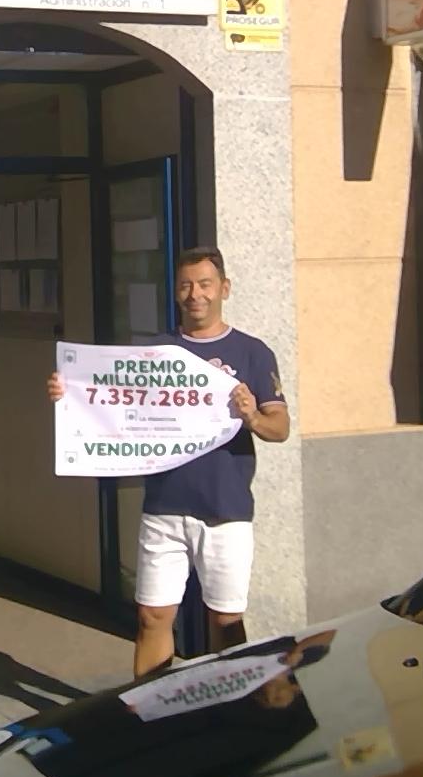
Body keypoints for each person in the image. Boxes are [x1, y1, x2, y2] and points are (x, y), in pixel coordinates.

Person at [47, 246, 290, 677]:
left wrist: (252, 416)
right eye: (185, 285)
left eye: (205, 284)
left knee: (226, 621)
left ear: (224, 289)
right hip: (163, 507)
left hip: (226, 509)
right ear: (176, 292)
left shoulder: (253, 352)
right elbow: (114, 405)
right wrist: (71, 395)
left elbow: (280, 427)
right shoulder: (156, 352)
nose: (195, 294)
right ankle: (149, 707)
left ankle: (230, 705)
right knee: (151, 617)